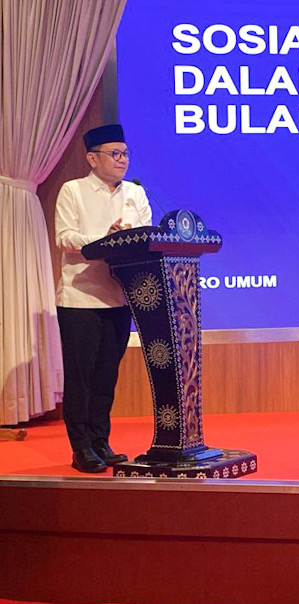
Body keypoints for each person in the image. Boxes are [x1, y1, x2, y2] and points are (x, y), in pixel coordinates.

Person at [55, 124, 152, 472]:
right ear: (92, 159)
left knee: (106, 377)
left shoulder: (135, 193)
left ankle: (100, 441)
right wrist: (105, 239)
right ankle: (81, 448)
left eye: (125, 154)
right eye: (115, 154)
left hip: (119, 298)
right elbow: (65, 237)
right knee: (81, 377)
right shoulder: (73, 190)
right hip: (80, 299)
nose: (122, 160)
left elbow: (146, 237)